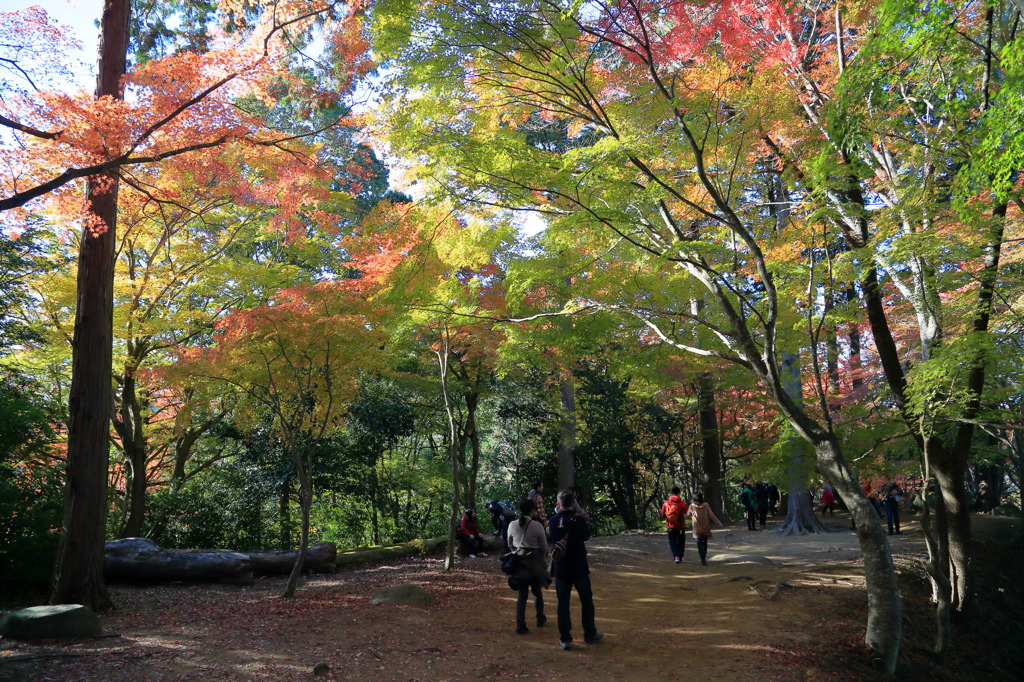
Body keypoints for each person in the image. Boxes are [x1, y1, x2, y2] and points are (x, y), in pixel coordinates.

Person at [549, 488, 603, 650]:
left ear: (558, 504)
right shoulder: (578, 520)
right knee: (586, 600)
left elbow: (552, 537)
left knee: (563, 603)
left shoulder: (553, 521)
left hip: (560, 567)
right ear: (573, 503)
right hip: (578, 565)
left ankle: (565, 639)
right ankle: (590, 633)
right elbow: (586, 536)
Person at [507, 498, 551, 634]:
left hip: (520, 564)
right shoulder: (537, 526)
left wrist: (517, 552)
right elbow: (544, 547)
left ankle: (521, 625)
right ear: (532, 510)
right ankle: (540, 618)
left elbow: (509, 543)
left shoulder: (512, 524)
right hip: (535, 565)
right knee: (537, 592)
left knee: (522, 595)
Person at [686, 492, 724, 566]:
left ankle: (702, 558)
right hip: (705, 527)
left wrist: (678, 515)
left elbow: (687, 515)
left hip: (696, 528)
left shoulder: (691, 506)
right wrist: (719, 524)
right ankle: (704, 557)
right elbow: (711, 515)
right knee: (705, 543)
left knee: (699, 543)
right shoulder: (706, 505)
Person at [660, 487, 689, 563]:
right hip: (680, 526)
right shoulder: (682, 503)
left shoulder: (666, 503)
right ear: (679, 493)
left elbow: (663, 514)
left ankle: (676, 556)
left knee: (672, 541)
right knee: (681, 541)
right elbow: (686, 513)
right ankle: (681, 557)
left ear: (672, 493)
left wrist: (670, 517)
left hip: (670, 525)